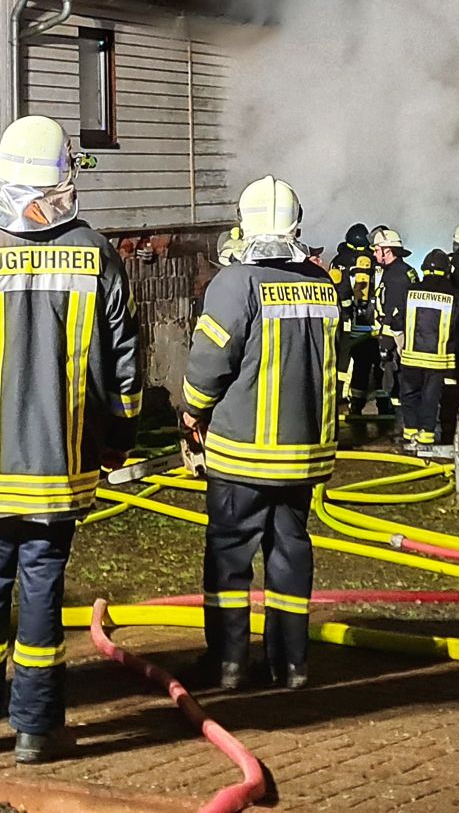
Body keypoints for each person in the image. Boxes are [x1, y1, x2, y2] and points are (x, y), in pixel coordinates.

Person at [0, 117, 140, 763]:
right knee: (41, 595)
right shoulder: (97, 254)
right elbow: (125, 365)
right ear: (65, 180)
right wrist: (118, 438)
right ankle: (38, 730)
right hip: (60, 470)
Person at [180, 176, 338, 690]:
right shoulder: (321, 285)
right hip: (303, 457)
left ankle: (227, 664)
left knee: (229, 558)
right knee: (291, 553)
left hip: (241, 457)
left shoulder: (236, 283)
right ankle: (291, 664)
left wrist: (190, 412)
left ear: (245, 225)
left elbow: (209, 363)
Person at [397, 251, 459, 450]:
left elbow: (398, 320)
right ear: (446, 270)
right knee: (431, 396)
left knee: (410, 394)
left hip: (411, 355)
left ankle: (409, 432)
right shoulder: (455, 295)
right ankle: (427, 434)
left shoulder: (410, 291)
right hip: (439, 358)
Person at [326, 224, 380, 414]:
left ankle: (339, 400)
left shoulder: (337, 260)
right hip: (364, 320)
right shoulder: (367, 260)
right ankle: (360, 404)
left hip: (339, 318)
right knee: (366, 362)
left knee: (341, 361)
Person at [370, 227, 418, 431]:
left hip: (397, 334)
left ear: (387, 250)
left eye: (376, 250)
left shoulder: (395, 276)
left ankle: (403, 422)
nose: (373, 254)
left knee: (397, 376)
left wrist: (386, 340)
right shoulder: (403, 270)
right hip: (402, 331)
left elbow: (396, 312)